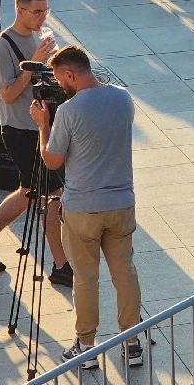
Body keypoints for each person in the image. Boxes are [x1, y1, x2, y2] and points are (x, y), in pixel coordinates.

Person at [30, 44, 142, 368]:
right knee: (125, 272)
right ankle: (132, 342)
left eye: (59, 78)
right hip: (121, 202)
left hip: (82, 208)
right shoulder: (123, 98)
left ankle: (86, 346)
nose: (59, 85)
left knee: (85, 277)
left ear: (69, 74)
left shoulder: (68, 111)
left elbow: (52, 160)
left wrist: (42, 123)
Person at [0, 0, 71, 285]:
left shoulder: (43, 35)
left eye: (45, 10)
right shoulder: (3, 45)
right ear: (19, 10)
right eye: (36, 11)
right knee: (48, 195)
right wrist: (33, 62)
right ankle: (61, 264)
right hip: (20, 129)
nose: (42, 17)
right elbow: (8, 95)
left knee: (30, 191)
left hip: (44, 125)